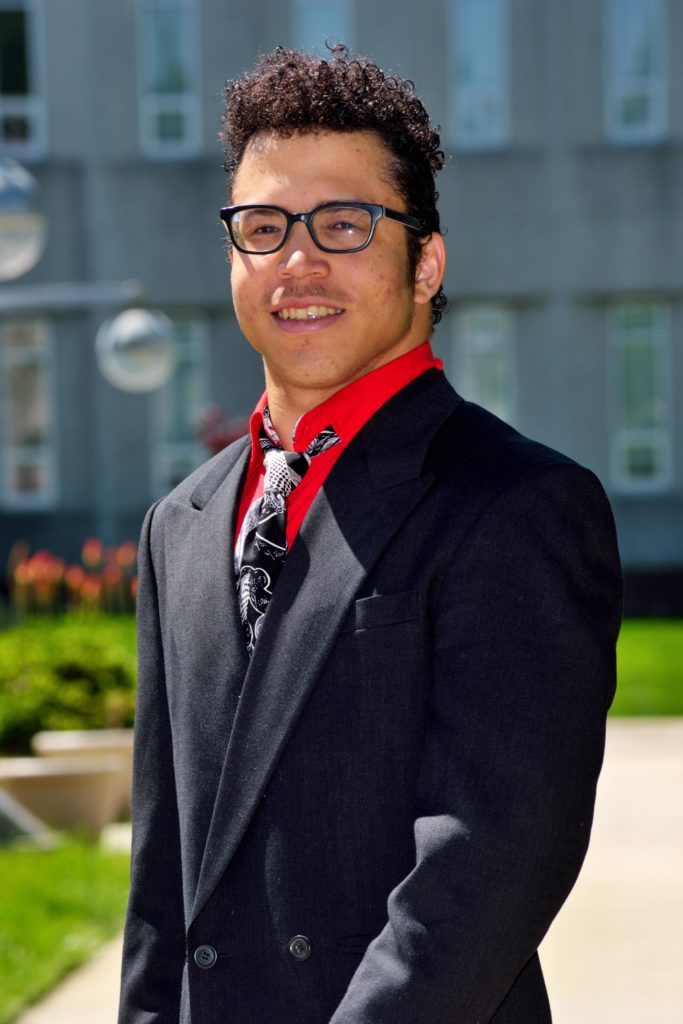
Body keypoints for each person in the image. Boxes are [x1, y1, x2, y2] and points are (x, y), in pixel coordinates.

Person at [118, 46, 622, 1024]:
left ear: (424, 261)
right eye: (263, 227)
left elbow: (486, 866)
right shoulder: (174, 527)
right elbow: (159, 889)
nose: (297, 260)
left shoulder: (515, 504)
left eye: (343, 224)